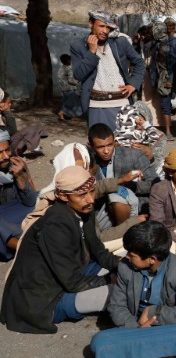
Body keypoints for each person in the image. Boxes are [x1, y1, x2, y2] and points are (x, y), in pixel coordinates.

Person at [1, 166, 119, 334]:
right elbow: (72, 283)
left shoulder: (84, 210)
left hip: (68, 275)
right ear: (63, 196)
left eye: (91, 192)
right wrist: (111, 279)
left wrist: (122, 266)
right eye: (82, 195)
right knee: (120, 292)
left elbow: (98, 251)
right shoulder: (55, 226)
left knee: (127, 264)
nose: (90, 200)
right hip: (43, 298)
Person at [90, 221, 176, 358]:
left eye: (131, 255)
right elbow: (117, 306)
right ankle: (175, 352)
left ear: (151, 259)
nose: (126, 257)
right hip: (138, 329)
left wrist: (153, 312)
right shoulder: (125, 268)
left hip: (168, 327)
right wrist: (138, 330)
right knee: (99, 342)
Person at [71, 10, 145, 130]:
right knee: (102, 146)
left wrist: (133, 84)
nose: (105, 31)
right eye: (101, 26)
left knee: (126, 144)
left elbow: (139, 62)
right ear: (91, 24)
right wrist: (91, 52)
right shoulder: (78, 46)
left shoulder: (120, 42)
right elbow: (79, 74)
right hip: (96, 106)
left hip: (122, 103)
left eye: (108, 27)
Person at [89, 123, 158, 234]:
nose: (106, 151)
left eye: (109, 145)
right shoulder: (89, 161)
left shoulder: (133, 156)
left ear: (115, 142)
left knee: (117, 198)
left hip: (131, 207)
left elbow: (155, 184)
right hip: (100, 209)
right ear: (92, 146)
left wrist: (128, 185)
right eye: (100, 147)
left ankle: (124, 235)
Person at [0, 130, 36, 261]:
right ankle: (24, 247)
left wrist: (21, 176)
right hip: (3, 224)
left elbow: (31, 201)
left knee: (44, 197)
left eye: (6, 150)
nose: (5, 156)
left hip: (16, 213)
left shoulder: (16, 165)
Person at [149, 21, 175, 141]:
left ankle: (169, 132)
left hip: (165, 77)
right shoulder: (158, 43)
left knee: (166, 105)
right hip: (161, 77)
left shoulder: (166, 44)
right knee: (165, 104)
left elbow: (171, 64)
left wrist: (169, 79)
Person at [56, 53, 82, 120]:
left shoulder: (61, 68)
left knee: (65, 102)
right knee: (73, 104)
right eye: (70, 60)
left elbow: (60, 78)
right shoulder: (69, 68)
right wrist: (78, 81)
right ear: (68, 60)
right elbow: (71, 81)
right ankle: (63, 113)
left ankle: (64, 115)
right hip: (70, 88)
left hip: (63, 89)